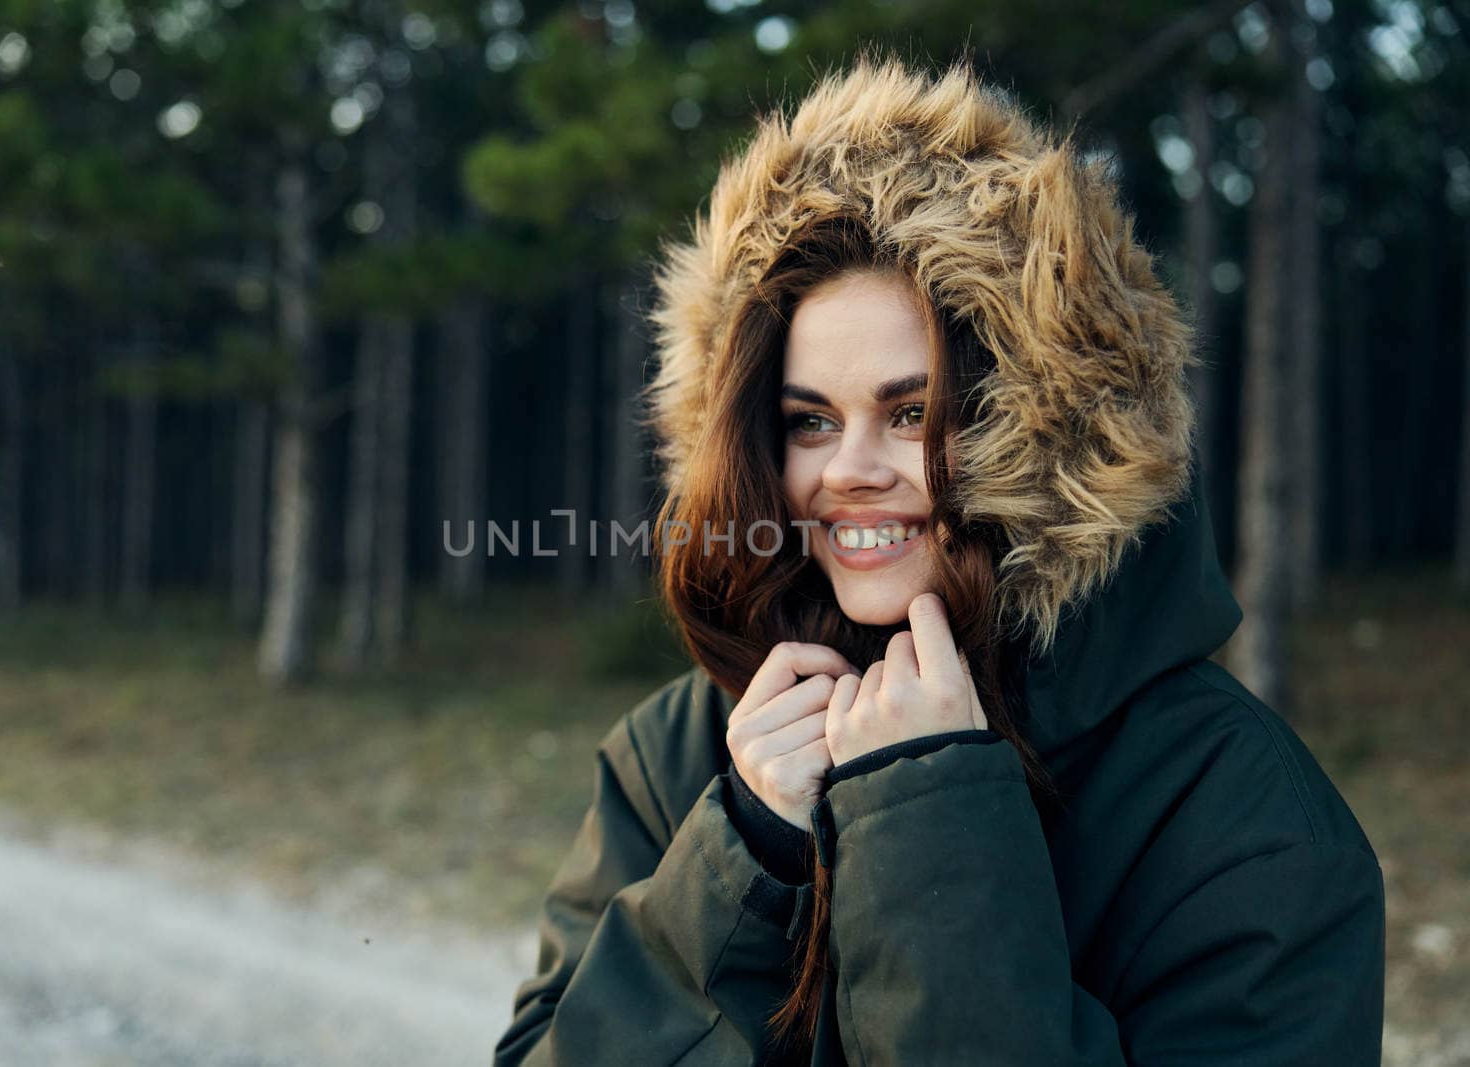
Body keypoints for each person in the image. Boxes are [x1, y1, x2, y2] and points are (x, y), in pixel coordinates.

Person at [493, 55, 1384, 1066]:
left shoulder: (1240, 815)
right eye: (808, 421)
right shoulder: (688, 748)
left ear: (1045, 428)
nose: (851, 472)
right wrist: (744, 849)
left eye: (914, 412)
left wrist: (931, 832)